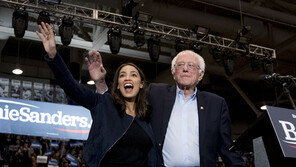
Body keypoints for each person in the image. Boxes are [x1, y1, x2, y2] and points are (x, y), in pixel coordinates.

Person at [91, 50, 245, 167]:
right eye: (180, 65)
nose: (185, 69)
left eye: (191, 66)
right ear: (173, 72)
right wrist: (100, 83)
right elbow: (124, 99)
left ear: (201, 74)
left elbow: (227, 149)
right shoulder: (155, 93)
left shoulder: (216, 104)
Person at [36, 22, 160, 167]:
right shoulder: (104, 104)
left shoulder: (147, 116)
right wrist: (53, 55)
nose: (127, 78)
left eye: (133, 75)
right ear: (118, 85)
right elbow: (72, 87)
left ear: (141, 84)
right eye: (122, 75)